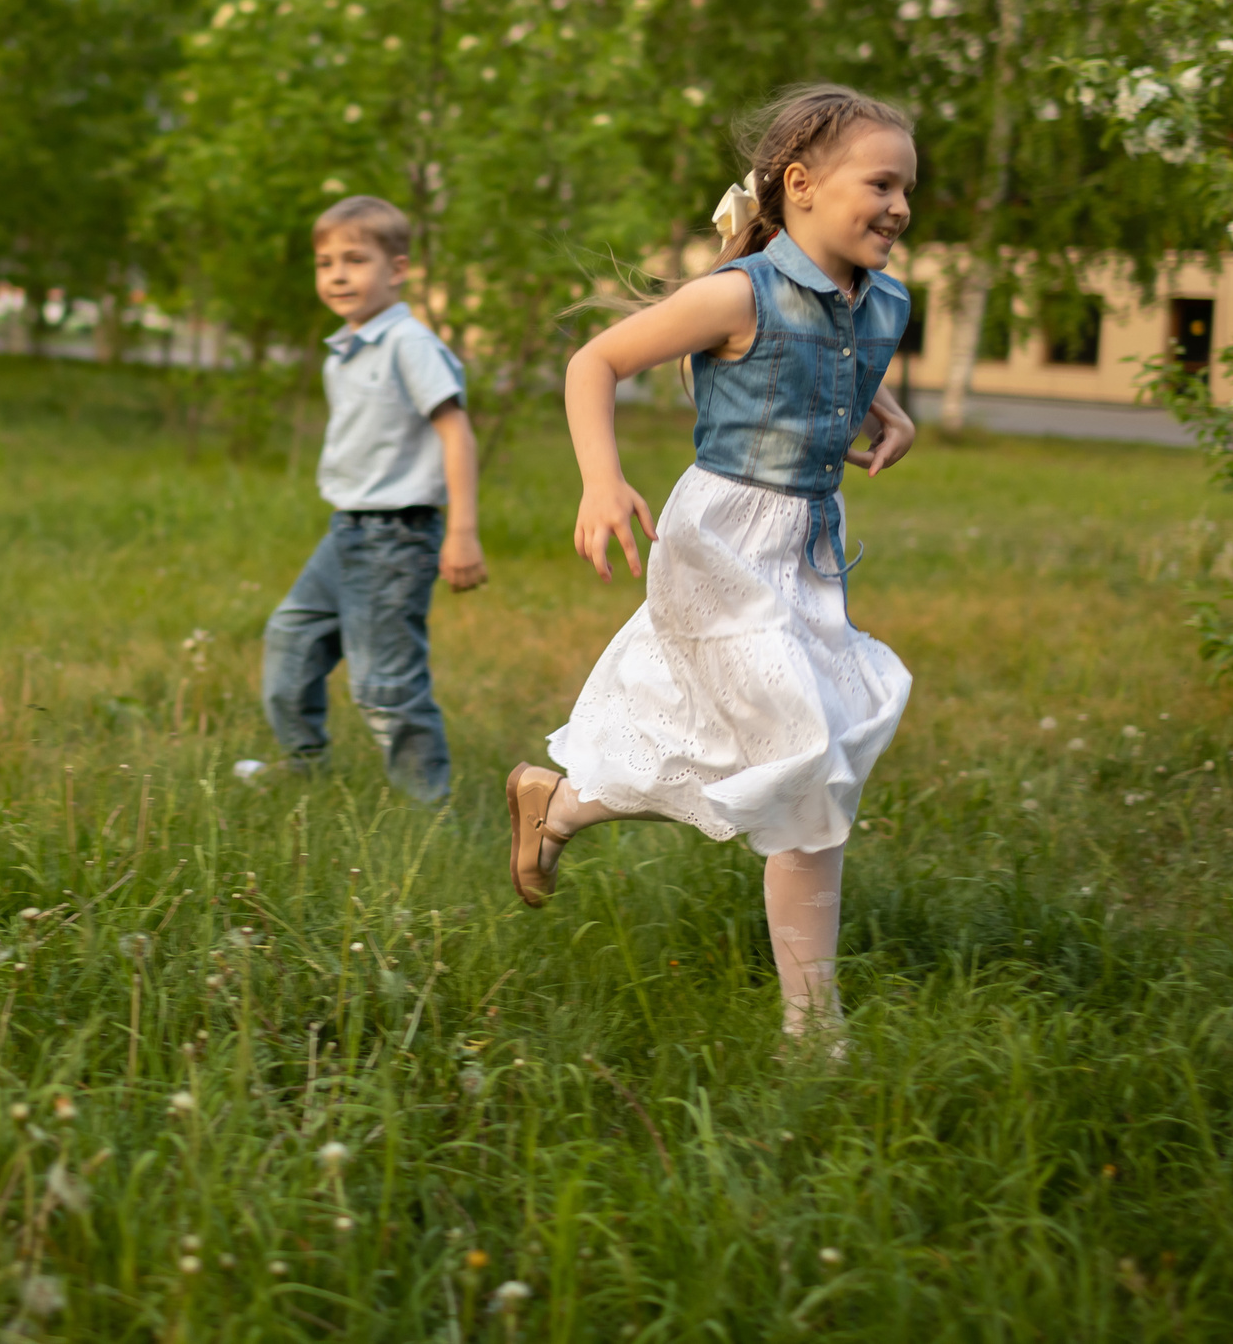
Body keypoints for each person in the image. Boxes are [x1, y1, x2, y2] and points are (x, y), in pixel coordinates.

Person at [504, 85, 918, 1049]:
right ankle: (814, 1031)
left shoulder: (885, 298)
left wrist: (883, 404)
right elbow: (594, 364)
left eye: (908, 189)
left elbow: (844, 347)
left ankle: (552, 801)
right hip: (721, 543)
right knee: (806, 762)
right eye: (882, 183)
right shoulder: (737, 293)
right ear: (802, 185)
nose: (899, 206)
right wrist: (601, 483)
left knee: (749, 751)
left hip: (806, 556)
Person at [241, 196, 486, 804]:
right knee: (290, 639)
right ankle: (302, 764)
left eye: (355, 259)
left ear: (396, 269)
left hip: (397, 535)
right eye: (325, 263)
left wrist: (461, 532)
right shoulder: (347, 349)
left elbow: (456, 433)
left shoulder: (408, 343)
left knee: (384, 682)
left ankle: (426, 807)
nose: (338, 275)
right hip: (347, 531)